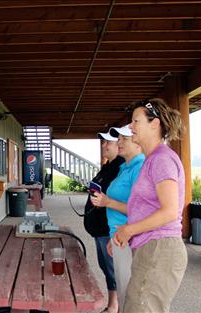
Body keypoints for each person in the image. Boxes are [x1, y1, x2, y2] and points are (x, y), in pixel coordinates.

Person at [115, 98, 188, 313]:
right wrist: (122, 235)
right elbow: (144, 207)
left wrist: (129, 230)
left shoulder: (162, 159)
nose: (130, 127)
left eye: (136, 121)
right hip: (150, 247)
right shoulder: (152, 159)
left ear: (154, 124)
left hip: (160, 249)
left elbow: (169, 211)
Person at [91, 124, 145, 312]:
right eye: (118, 138)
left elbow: (142, 211)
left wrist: (108, 202)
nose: (118, 142)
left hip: (128, 238)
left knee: (131, 294)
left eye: (123, 139)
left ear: (138, 143)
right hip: (116, 236)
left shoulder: (139, 167)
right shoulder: (124, 167)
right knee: (123, 292)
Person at [84, 131, 124, 313]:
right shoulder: (108, 167)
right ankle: (113, 304)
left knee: (114, 270)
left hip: (109, 230)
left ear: (119, 145)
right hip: (99, 229)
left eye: (107, 142)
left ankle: (116, 306)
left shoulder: (121, 168)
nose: (103, 146)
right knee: (106, 268)